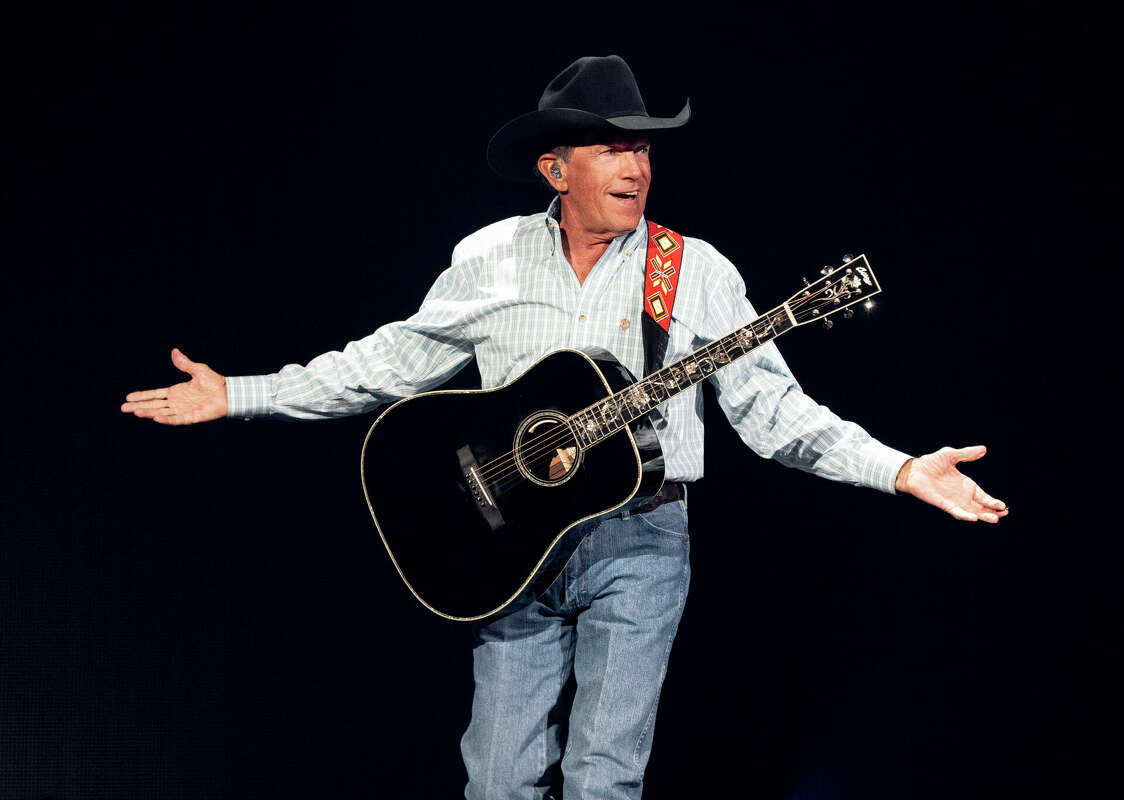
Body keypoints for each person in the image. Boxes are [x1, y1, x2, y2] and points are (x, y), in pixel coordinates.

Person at [121, 55, 1007, 800]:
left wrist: (898, 469)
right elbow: (389, 362)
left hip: (642, 542)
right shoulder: (489, 258)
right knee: (498, 780)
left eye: (643, 147)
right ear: (555, 168)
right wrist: (242, 393)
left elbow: (773, 413)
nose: (635, 164)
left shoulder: (690, 270)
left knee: (601, 780)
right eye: (612, 146)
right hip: (509, 544)